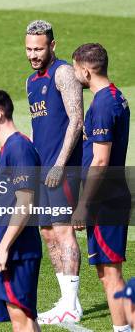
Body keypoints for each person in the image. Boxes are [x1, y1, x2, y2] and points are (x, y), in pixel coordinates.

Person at [24, 20, 84, 323]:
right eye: (29, 49)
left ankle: (73, 303)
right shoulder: (31, 82)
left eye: (39, 48)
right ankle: (65, 300)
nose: (34, 54)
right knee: (47, 232)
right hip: (43, 170)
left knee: (63, 231)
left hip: (64, 169)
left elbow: (76, 120)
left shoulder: (63, 73)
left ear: (52, 46)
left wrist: (60, 165)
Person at [71, 43, 131, 332]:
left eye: (74, 69)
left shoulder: (104, 104)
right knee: (108, 273)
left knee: (111, 275)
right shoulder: (115, 97)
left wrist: (84, 205)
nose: (74, 75)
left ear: (85, 70)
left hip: (105, 201)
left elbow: (101, 159)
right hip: (110, 198)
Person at [0, 90, 42, 332]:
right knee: (23, 319)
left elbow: (25, 203)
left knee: (21, 320)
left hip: (18, 251)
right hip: (10, 249)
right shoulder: (7, 149)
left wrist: (3, 249)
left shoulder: (19, 149)